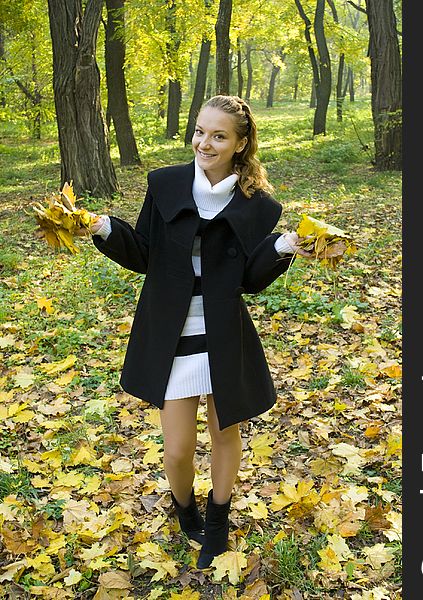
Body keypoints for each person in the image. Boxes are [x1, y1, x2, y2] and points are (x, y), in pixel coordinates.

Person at [88, 95, 312, 569]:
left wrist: (286, 245)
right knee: (176, 451)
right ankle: (184, 506)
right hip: (171, 335)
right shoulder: (165, 184)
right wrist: (104, 228)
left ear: (240, 143)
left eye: (218, 135)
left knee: (224, 433)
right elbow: (145, 253)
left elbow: (250, 278)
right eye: (199, 131)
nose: (204, 143)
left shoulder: (256, 206)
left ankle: (218, 517)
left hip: (223, 337)